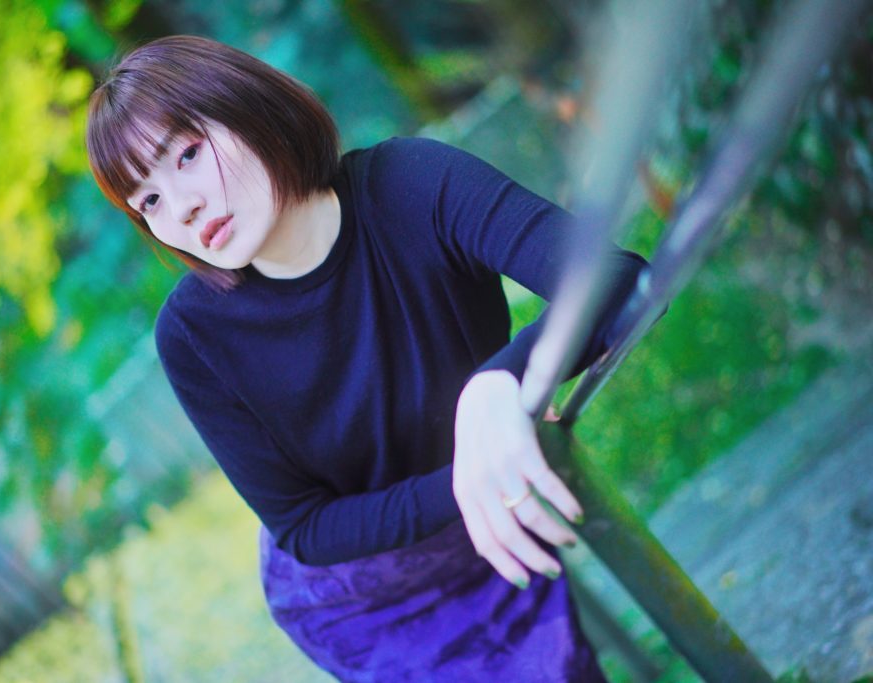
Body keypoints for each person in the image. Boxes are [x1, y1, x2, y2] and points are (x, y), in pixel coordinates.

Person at [87, 35, 647, 681]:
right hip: (357, 598)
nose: (182, 208)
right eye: (149, 202)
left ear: (249, 109)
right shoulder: (192, 335)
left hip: (493, 518)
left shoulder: (410, 183)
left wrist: (498, 383)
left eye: (186, 154)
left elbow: (614, 279)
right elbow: (304, 525)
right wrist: (472, 476)